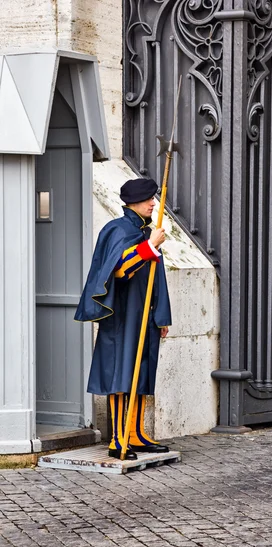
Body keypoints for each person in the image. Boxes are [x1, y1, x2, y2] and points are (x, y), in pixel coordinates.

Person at [75, 178, 172, 460]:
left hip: (145, 315)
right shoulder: (117, 230)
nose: (153, 203)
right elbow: (118, 271)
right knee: (121, 374)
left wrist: (162, 316)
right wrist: (149, 246)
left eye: (154, 198)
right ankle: (118, 439)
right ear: (133, 203)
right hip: (122, 317)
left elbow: (157, 279)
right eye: (148, 199)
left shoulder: (145, 231)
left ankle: (135, 434)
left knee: (141, 373)